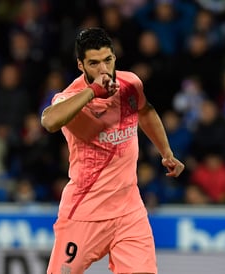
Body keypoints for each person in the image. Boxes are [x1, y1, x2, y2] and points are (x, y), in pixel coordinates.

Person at [41, 27, 185, 274]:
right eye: (94, 63)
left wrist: (166, 152)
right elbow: (49, 121)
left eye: (108, 60)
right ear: (81, 65)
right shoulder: (72, 97)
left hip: (130, 212)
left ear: (115, 57)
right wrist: (91, 92)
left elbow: (146, 111)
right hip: (85, 213)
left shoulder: (130, 83)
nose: (103, 70)